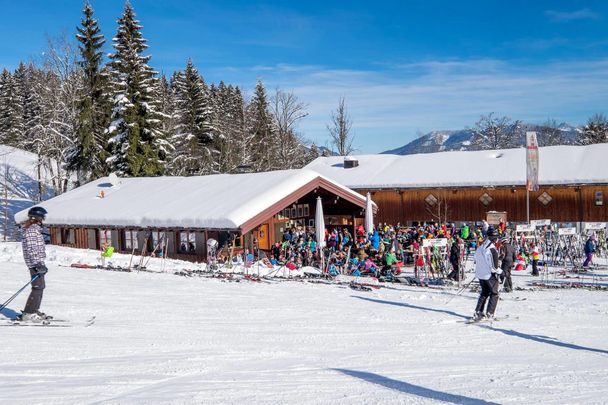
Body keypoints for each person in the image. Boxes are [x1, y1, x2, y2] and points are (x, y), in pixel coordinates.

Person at [19, 206, 50, 323]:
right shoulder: (32, 230)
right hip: (35, 264)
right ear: (37, 217)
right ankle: (29, 313)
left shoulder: (34, 229)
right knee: (37, 288)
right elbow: (32, 248)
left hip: (37, 263)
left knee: (40, 287)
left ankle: (33, 310)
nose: (43, 218)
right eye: (42, 216)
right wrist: (37, 264)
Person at [473, 227, 502, 321]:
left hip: (480, 274)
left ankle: (478, 312)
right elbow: (494, 267)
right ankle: (490, 313)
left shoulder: (481, 247)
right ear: (495, 238)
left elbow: (476, 259)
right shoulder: (491, 249)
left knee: (484, 293)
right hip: (489, 275)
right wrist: (501, 271)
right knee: (494, 293)